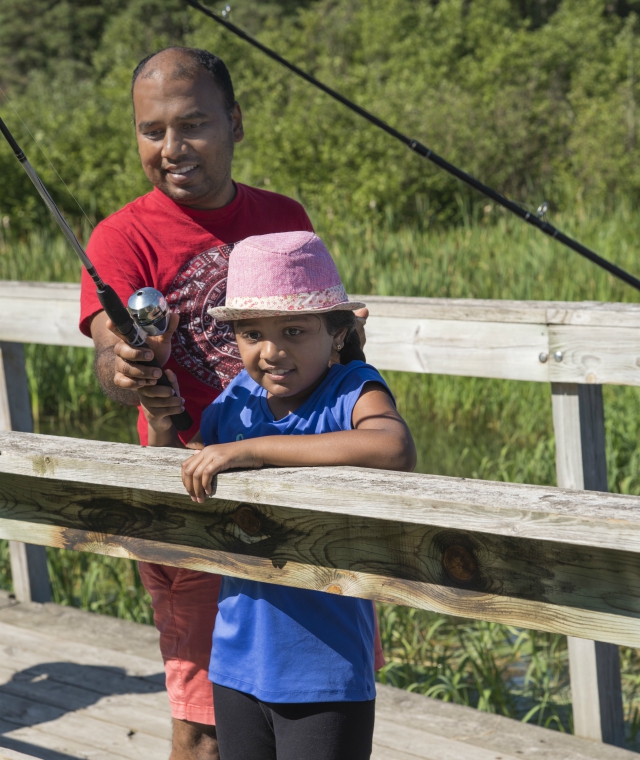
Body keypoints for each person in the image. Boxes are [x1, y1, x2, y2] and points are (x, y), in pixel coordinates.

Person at [79, 46, 380, 760]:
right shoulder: (121, 236)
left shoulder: (283, 216)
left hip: (300, 496)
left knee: (312, 702)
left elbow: (329, 338)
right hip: (195, 502)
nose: (172, 148)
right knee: (206, 726)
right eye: (152, 131)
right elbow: (105, 349)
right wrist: (128, 366)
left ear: (235, 123)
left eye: (194, 126)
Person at [140, 230, 417, 760]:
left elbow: (393, 445)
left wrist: (254, 450)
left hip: (324, 668)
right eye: (251, 334)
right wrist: (160, 420)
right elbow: (197, 459)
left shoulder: (352, 387)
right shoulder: (242, 396)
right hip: (237, 655)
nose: (271, 352)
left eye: (294, 330)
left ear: (337, 332)